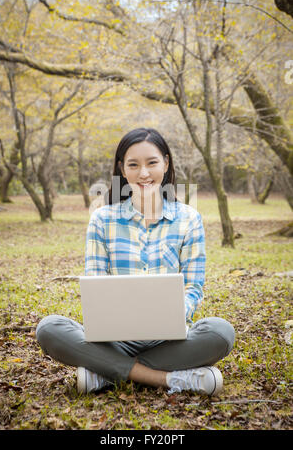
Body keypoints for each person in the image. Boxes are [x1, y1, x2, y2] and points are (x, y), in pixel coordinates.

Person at [36, 128, 235, 396]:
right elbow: (96, 284)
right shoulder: (102, 219)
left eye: (152, 163)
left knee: (221, 333)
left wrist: (175, 314)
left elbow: (193, 288)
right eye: (133, 165)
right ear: (122, 168)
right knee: (49, 328)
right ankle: (168, 379)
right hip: (114, 342)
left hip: (170, 341)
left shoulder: (189, 219)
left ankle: (105, 374)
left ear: (166, 163)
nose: (143, 173)